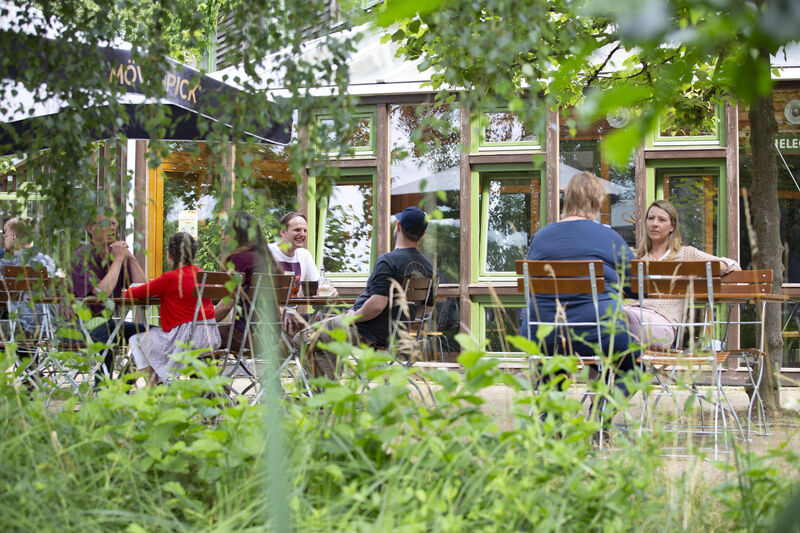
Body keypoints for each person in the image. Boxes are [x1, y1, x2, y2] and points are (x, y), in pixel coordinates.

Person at [520, 171, 638, 389]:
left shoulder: (540, 237)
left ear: (567, 201)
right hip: (598, 334)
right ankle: (602, 409)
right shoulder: (609, 237)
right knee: (635, 366)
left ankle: (552, 407)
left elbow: (533, 285)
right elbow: (639, 287)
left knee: (552, 366)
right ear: (597, 203)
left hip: (543, 334)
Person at [293, 206, 435, 380]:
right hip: (396, 335)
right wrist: (397, 321)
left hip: (365, 331)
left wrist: (354, 316)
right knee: (325, 334)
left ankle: (320, 392)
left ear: (398, 227)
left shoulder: (388, 261)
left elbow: (377, 305)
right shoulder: (428, 267)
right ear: (422, 234)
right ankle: (323, 390)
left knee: (303, 339)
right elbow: (427, 309)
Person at [623, 199, 741, 349]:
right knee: (605, 317)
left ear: (672, 226)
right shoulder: (634, 256)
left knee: (614, 319)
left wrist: (699, 271)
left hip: (661, 323)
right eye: (651, 218)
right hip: (628, 314)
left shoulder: (686, 254)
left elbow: (732, 265)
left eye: (661, 220)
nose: (654, 224)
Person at [125, 232, 220, 385]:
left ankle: (156, 386)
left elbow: (131, 294)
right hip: (209, 337)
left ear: (169, 254)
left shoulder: (169, 278)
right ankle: (161, 382)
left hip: (184, 340)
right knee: (151, 338)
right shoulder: (202, 274)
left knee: (136, 340)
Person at [70, 214, 147, 380]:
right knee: (106, 335)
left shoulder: (115, 257)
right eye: (106, 224)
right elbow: (101, 294)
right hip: (77, 326)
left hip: (108, 323)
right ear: (91, 228)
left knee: (151, 334)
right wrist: (118, 259)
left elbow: (144, 290)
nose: (112, 228)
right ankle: (101, 389)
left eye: (114, 224)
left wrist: (131, 258)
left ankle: (123, 384)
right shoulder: (81, 257)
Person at [215, 211, 279, 353]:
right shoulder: (269, 260)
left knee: (197, 337)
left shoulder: (239, 259)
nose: (222, 237)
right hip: (271, 336)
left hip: (244, 336)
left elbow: (226, 306)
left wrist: (203, 324)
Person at [0, 217, 56, 339]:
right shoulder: (48, 262)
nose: (4, 239)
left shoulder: (7, 264)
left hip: (20, 327)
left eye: (6, 235)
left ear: (13, 237)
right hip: (48, 328)